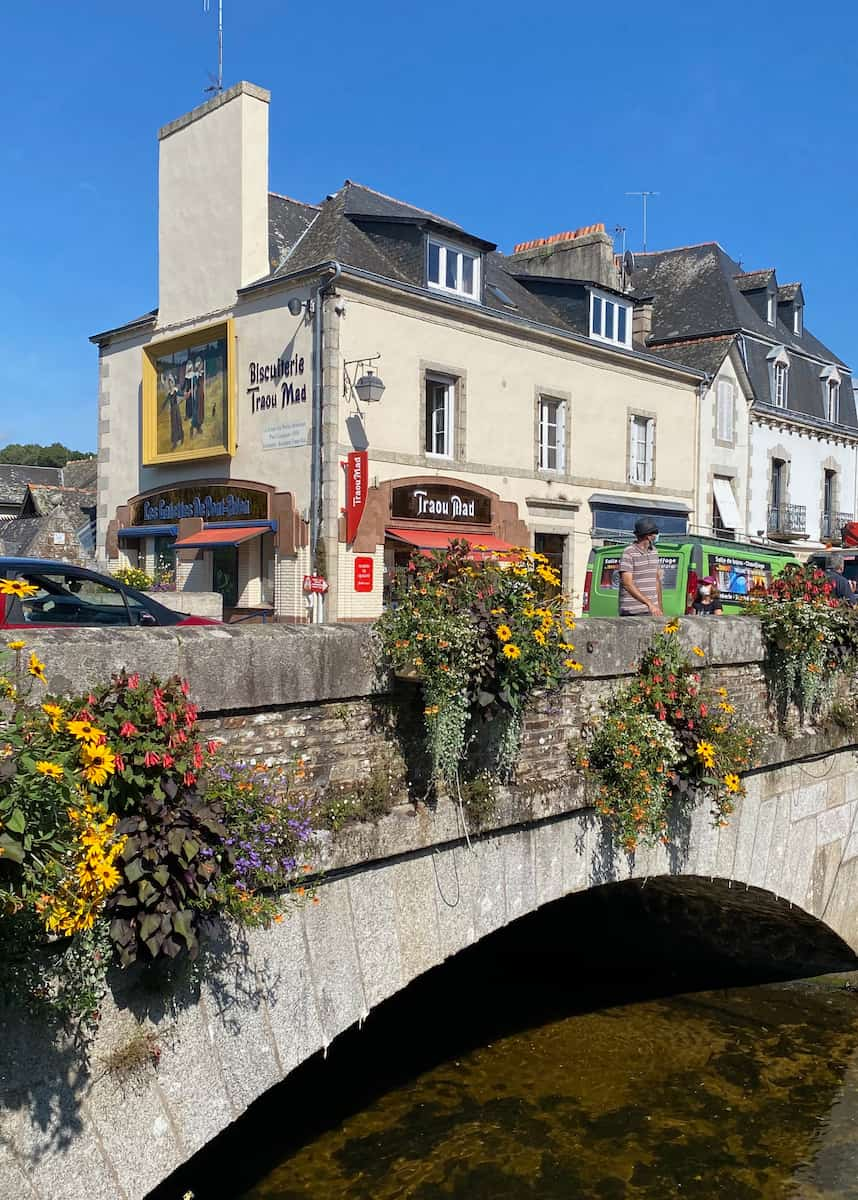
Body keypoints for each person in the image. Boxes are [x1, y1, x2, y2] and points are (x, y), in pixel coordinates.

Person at [619, 517, 663, 617]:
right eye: (654, 534)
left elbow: (656, 580)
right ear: (648, 536)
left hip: (652, 611)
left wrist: (659, 607)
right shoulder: (628, 552)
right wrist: (649, 604)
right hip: (632, 611)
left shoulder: (654, 551)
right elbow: (627, 584)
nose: (656, 536)